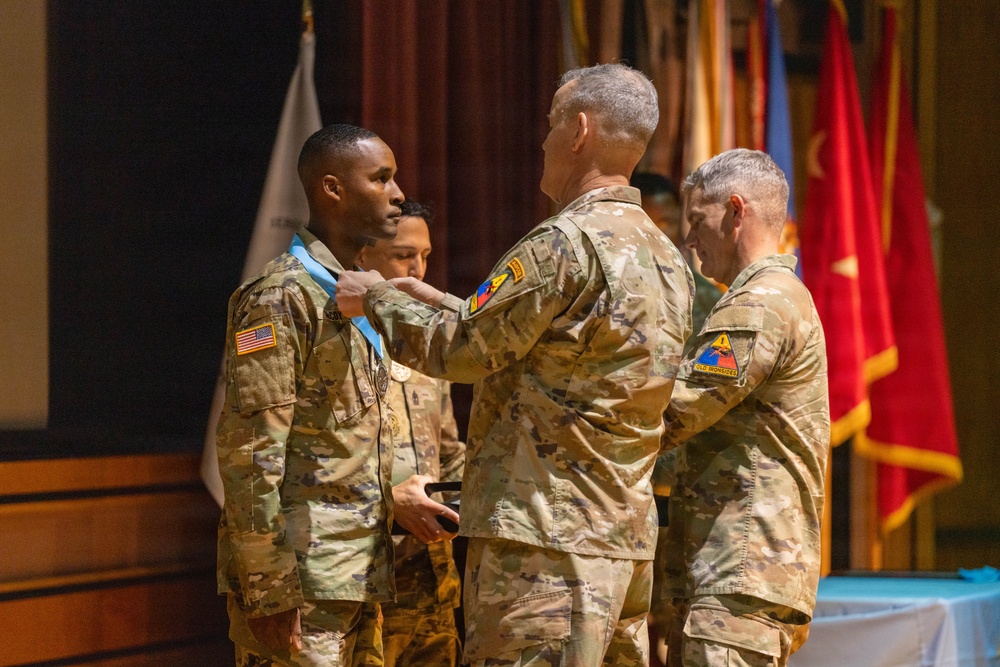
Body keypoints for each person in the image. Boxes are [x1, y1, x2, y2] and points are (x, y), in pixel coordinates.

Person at [336, 63, 694, 666]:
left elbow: (465, 349)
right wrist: (439, 301)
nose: (543, 140)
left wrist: (374, 297)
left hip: (545, 550)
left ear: (579, 130)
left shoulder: (565, 243)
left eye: (553, 124)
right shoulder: (664, 257)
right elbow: (553, 350)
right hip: (623, 545)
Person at [215, 123, 407, 667]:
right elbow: (251, 453)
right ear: (332, 189)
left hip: (355, 573)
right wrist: (268, 585)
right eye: (382, 179)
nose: (397, 193)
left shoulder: (361, 293)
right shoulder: (282, 295)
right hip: (300, 580)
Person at [658, 148, 830, 667]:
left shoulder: (759, 303)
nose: (687, 239)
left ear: (736, 211)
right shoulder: (776, 295)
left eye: (696, 221)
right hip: (739, 569)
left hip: (740, 568)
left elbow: (675, 412)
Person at [355, 199, 465, 667]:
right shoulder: (331, 337)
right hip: (359, 581)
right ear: (363, 255)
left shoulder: (422, 343)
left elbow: (448, 452)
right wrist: (387, 501)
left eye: (425, 254)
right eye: (404, 255)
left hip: (429, 582)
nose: (419, 269)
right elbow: (293, 463)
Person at [631, 171, 722, 334]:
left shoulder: (705, 297)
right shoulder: (609, 290)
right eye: (647, 224)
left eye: (667, 223)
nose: (658, 234)